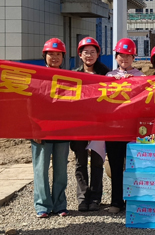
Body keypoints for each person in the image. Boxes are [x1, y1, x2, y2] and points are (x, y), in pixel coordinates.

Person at [105, 38, 144, 214]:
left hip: (133, 129)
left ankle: (133, 199)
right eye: (121, 55)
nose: (124, 59)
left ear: (133, 57)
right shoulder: (109, 77)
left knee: (134, 167)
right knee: (115, 166)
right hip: (113, 129)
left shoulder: (141, 77)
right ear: (116, 57)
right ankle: (116, 201)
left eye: (128, 55)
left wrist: (134, 84)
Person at [32, 38, 70, 218]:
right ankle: (43, 205)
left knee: (61, 170)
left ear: (63, 56)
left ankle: (59, 204)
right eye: (50, 54)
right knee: (41, 169)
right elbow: (30, 105)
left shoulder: (70, 79)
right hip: (41, 131)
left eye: (58, 54)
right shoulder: (37, 77)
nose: (54, 57)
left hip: (62, 130)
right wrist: (33, 129)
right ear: (44, 56)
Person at [70, 37, 109, 211]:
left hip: (99, 124)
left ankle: (95, 198)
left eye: (93, 52)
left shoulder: (106, 74)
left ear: (98, 54)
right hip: (79, 124)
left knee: (97, 162)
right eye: (86, 52)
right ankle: (82, 197)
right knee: (80, 161)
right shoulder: (73, 75)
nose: (89, 55)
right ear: (80, 55)